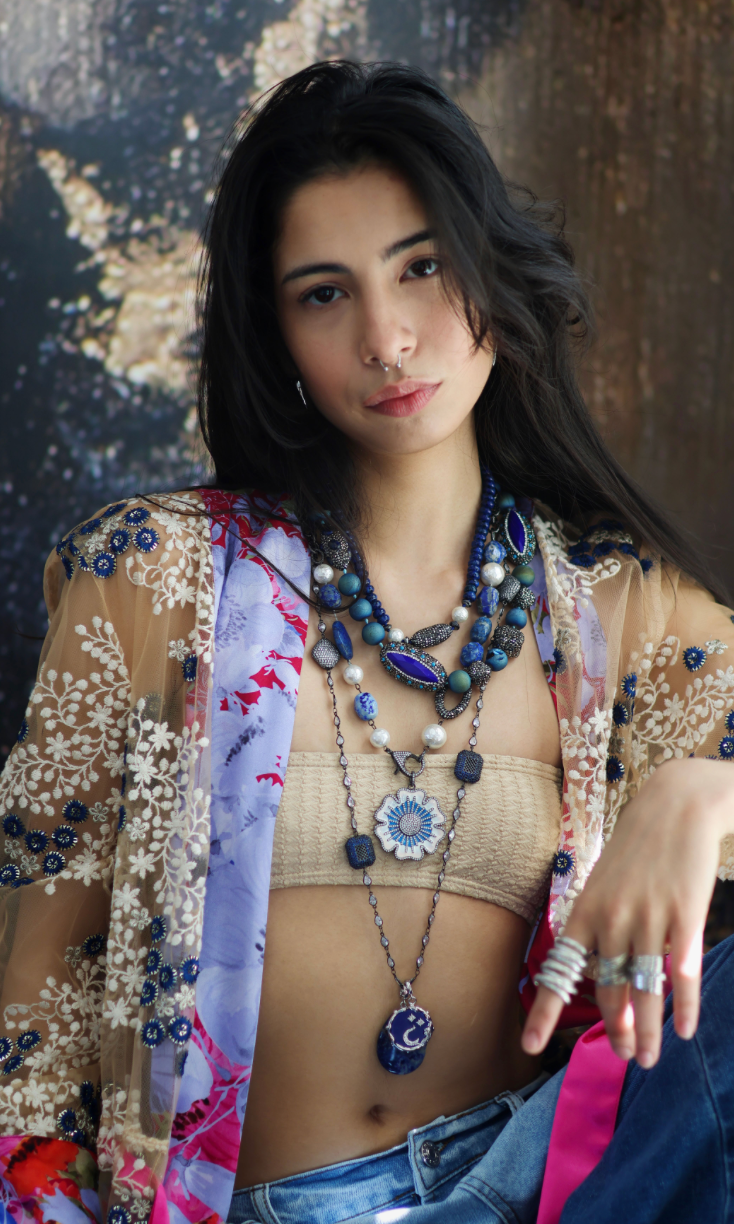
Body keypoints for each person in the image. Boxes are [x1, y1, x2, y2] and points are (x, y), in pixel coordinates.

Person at [0, 59, 733, 1224]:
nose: (387, 339)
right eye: (323, 294)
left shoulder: (618, 602)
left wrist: (701, 791)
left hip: (541, 1182)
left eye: (421, 266)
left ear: (489, 270)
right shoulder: (153, 574)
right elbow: (35, 998)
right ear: (276, 334)